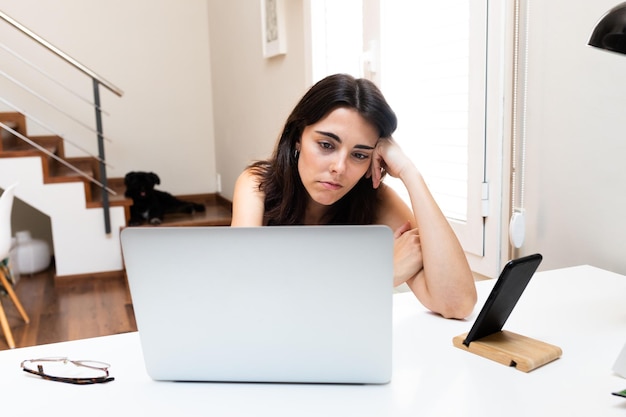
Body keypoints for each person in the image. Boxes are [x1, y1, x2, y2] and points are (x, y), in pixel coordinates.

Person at [231, 73, 477, 319]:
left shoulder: (375, 200)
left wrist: (408, 171)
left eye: (359, 155)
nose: (339, 167)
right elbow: (245, 294)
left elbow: (457, 303)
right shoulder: (257, 185)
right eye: (326, 145)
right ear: (298, 137)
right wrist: (381, 274)